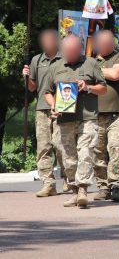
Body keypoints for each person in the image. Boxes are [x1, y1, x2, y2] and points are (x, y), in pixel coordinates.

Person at [43, 35, 107, 208]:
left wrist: (88, 87)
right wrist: (54, 104)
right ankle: (73, 191)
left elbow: (103, 88)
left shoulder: (91, 63)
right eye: (67, 51)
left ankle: (83, 190)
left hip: (87, 117)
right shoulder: (55, 67)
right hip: (65, 120)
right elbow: (47, 92)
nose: (70, 54)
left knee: (85, 153)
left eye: (74, 50)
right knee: (68, 158)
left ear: (80, 48)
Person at [23, 29, 62, 197]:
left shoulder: (65, 58)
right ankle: (48, 183)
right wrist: (26, 77)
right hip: (42, 108)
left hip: (62, 109)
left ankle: (69, 179)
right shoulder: (36, 60)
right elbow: (32, 87)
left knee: (62, 146)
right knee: (43, 147)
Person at [93, 30, 119, 202]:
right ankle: (102, 187)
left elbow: (115, 74)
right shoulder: (90, 60)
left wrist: (93, 71)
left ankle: (115, 183)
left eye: (109, 43)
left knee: (116, 147)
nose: (106, 46)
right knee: (97, 152)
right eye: (102, 43)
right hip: (95, 114)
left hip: (117, 114)